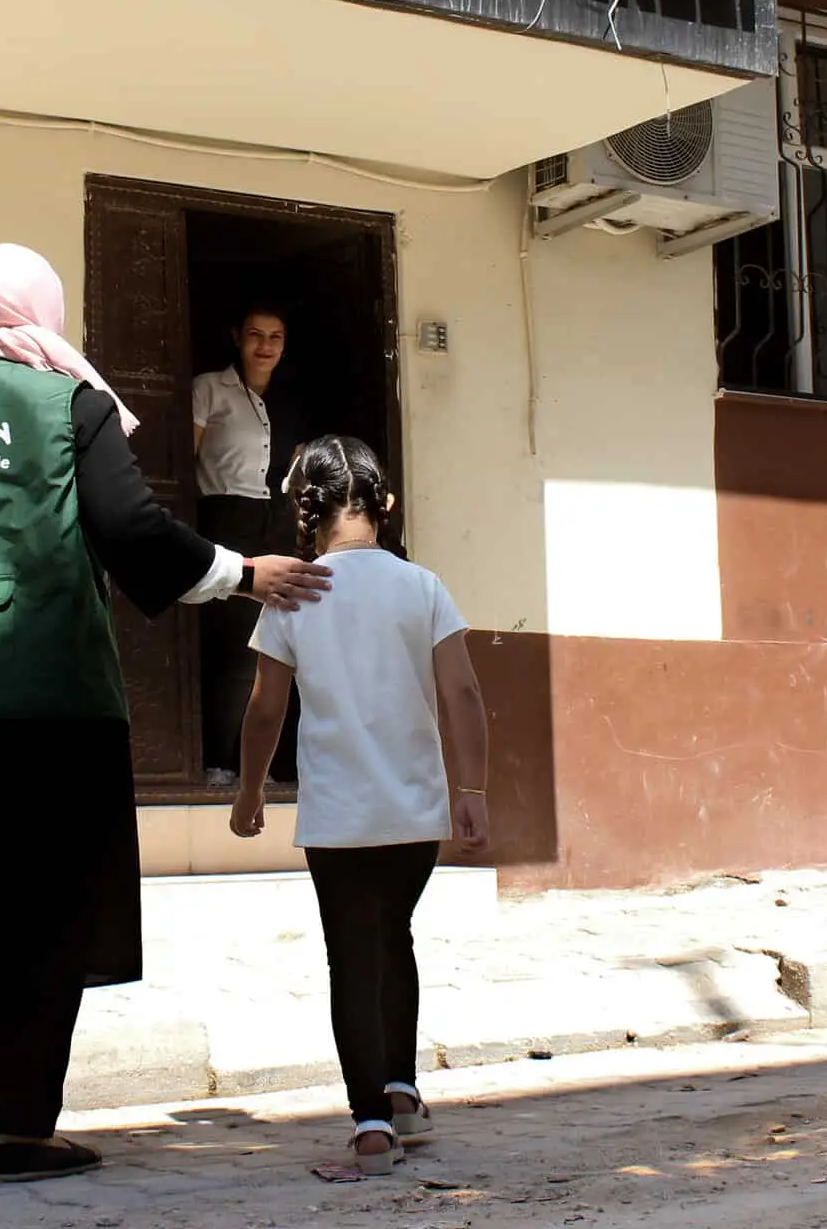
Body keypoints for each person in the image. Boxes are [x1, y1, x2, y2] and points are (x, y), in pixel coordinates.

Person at [0, 244, 331, 1184]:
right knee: (44, 905)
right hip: (37, 691)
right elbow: (133, 531)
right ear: (41, 311)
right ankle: (22, 1127)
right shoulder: (67, 400)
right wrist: (241, 572)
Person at [229, 435, 490, 1176]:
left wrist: (250, 792)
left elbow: (264, 711)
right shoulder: (424, 587)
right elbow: (464, 693)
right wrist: (472, 791)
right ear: (387, 506)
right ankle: (403, 1091)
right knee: (395, 938)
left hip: (339, 816)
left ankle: (370, 1124)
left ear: (304, 510)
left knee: (353, 958)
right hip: (415, 813)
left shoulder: (295, 591)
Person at [192, 301, 307, 786]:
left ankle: (273, 767)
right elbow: (183, 459)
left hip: (275, 521)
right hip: (225, 516)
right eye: (256, 335)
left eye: (275, 337)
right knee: (235, 643)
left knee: (279, 643)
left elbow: (299, 468)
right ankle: (222, 762)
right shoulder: (208, 389)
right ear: (237, 337)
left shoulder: (290, 402)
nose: (265, 346)